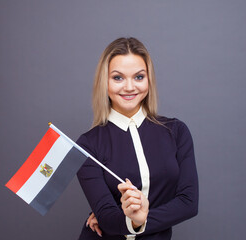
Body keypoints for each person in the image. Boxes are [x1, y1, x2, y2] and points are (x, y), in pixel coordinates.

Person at [76, 37, 198, 240]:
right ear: (103, 82)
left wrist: (139, 221)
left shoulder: (176, 132)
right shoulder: (87, 145)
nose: (130, 87)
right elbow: (106, 216)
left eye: (139, 77)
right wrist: (126, 221)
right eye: (118, 78)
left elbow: (188, 203)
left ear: (149, 79)